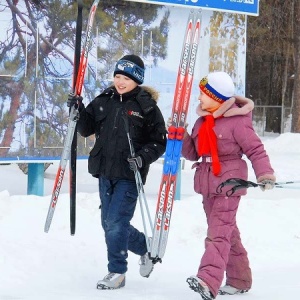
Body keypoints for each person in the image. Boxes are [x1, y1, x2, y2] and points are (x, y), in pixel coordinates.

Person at [68, 54, 167, 290]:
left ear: (137, 80)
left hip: (129, 175)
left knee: (115, 222)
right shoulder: (105, 99)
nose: (120, 81)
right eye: (117, 76)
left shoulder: (146, 106)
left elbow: (158, 141)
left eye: (126, 78)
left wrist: (142, 158)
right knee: (110, 223)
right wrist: (77, 109)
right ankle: (145, 246)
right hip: (104, 171)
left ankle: (117, 272)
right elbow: (85, 128)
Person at [180, 72, 276, 299]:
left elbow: (255, 149)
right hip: (207, 184)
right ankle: (239, 280)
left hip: (229, 184)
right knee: (227, 234)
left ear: (218, 97)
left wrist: (265, 174)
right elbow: (194, 154)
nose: (200, 99)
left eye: (204, 94)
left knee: (218, 234)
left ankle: (207, 280)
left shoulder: (238, 121)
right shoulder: (202, 121)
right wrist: (182, 136)